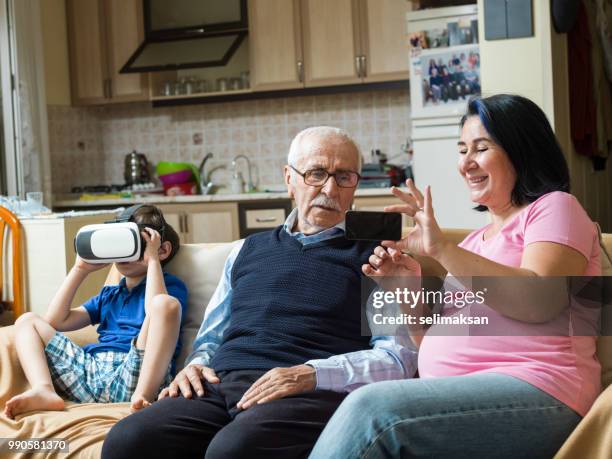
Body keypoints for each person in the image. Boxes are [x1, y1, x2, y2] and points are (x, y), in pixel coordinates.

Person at [309, 94, 602, 458]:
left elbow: (541, 299)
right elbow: (430, 343)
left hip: (542, 391)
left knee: (370, 409)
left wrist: (441, 249)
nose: (467, 163)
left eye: (481, 148)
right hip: (463, 395)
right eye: (462, 150)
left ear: (522, 150)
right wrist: (404, 288)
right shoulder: (475, 242)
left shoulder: (554, 207)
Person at [101, 126, 417, 459]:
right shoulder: (245, 250)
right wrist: (194, 365)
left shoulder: (381, 258)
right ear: (289, 179)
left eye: (344, 177)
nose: (329, 188)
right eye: (316, 173)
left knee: (233, 451)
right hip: (219, 385)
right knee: (128, 439)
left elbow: (397, 358)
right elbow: (210, 338)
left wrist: (310, 374)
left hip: (306, 391)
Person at [3, 205, 188, 418]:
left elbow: (154, 310)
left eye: (134, 243)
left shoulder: (170, 287)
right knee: (27, 320)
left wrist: (152, 259)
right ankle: (44, 389)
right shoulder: (109, 295)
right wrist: (80, 269)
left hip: (137, 372)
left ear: (162, 250)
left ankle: (142, 397)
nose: (124, 251)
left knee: (165, 304)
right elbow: (56, 321)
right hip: (90, 373)